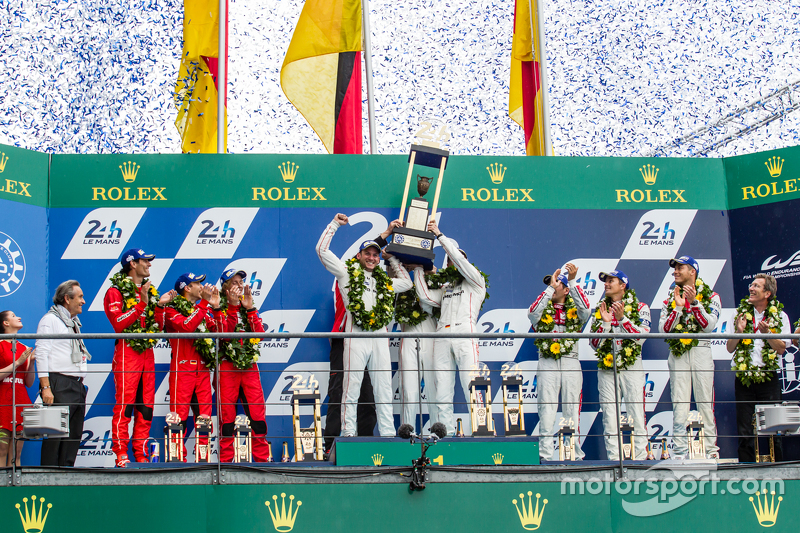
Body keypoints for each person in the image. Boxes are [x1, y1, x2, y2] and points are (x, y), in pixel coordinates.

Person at [316, 214, 413, 437]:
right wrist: (333, 225)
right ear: (358, 256)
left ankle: (388, 434)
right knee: (351, 388)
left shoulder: (383, 281)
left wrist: (393, 260)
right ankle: (348, 433)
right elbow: (321, 251)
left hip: (379, 336)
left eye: (375, 255)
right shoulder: (346, 274)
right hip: (355, 336)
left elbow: (407, 284)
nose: (371, 258)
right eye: (367, 254)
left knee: (383, 389)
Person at [413, 220, 487, 436]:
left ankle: (481, 430)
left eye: (460, 259)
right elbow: (426, 298)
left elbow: (461, 263)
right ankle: (446, 433)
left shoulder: (476, 282)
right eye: (452, 261)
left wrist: (439, 235)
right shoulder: (445, 289)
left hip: (465, 334)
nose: (456, 263)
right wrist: (418, 269)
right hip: (442, 335)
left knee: (471, 384)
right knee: (442, 391)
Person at [104, 248, 175, 467]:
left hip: (147, 353)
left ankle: (141, 455)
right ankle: (120, 455)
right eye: (145, 261)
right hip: (127, 353)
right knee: (125, 406)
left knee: (145, 407)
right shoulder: (114, 291)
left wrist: (160, 306)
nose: (149, 264)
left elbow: (159, 326)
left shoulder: (149, 290)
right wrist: (142, 303)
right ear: (132, 264)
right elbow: (118, 324)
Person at [659, 256, 721, 459]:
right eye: (674, 268)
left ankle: (711, 450)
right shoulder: (670, 298)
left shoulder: (712, 296)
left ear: (692, 271)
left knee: (705, 401)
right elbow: (664, 330)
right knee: (679, 402)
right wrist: (677, 308)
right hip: (678, 352)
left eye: (679, 267)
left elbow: (709, 326)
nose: (675, 271)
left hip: (701, 349)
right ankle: (679, 451)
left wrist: (694, 303)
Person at [527, 264, 590, 461]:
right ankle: (545, 454)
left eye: (557, 284)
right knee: (546, 409)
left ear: (566, 289)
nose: (553, 287)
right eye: (550, 284)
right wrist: (549, 288)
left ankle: (572, 453)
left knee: (571, 408)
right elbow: (531, 313)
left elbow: (586, 310)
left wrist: (571, 280)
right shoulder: (542, 308)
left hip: (570, 361)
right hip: (547, 361)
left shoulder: (575, 310)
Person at [727, 274, 791, 462]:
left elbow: (781, 349)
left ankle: (779, 466)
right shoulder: (738, 314)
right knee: (744, 429)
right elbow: (730, 348)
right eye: (751, 284)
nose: (751, 288)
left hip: (768, 377)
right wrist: (739, 332)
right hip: (743, 378)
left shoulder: (780, 316)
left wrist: (767, 334)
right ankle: (746, 467)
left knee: (774, 427)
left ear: (767, 293)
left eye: (756, 286)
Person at [589, 270, 650, 460]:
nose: (606, 284)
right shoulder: (600, 310)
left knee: (636, 414)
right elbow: (593, 344)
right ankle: (615, 459)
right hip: (607, 370)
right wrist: (606, 324)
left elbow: (641, 338)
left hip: (632, 369)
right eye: (605, 281)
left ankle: (640, 457)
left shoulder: (641, 307)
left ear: (623, 285)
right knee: (609, 415)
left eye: (611, 281)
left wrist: (623, 319)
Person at [165, 273, 221, 460]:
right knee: (177, 419)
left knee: (204, 419)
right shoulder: (172, 310)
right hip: (182, 371)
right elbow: (188, 327)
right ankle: (176, 459)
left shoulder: (203, 310)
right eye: (198, 283)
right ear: (187, 288)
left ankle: (203, 459)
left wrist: (216, 307)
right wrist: (205, 305)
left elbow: (221, 332)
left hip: (203, 371)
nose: (202, 286)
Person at [216, 269, 270, 462]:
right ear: (225, 287)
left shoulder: (248, 307)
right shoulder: (217, 307)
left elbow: (259, 334)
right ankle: (226, 461)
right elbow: (223, 335)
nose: (239, 286)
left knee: (257, 416)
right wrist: (231, 307)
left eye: (241, 282)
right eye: (234, 282)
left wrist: (250, 310)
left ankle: (262, 460)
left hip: (248, 368)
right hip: (227, 367)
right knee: (227, 420)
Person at [36, 280, 90, 467]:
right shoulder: (50, 320)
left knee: (73, 436)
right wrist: (46, 387)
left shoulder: (73, 323)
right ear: (67, 298)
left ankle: (66, 480)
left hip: (76, 385)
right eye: (80, 297)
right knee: (55, 437)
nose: (83, 301)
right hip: (59, 383)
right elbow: (41, 354)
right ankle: (48, 481)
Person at [395, 263, 440, 431]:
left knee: (434, 388)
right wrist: (397, 263)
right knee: (409, 389)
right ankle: (407, 431)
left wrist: (428, 269)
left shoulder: (436, 284)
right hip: (408, 336)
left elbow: (429, 301)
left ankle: (438, 431)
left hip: (431, 338)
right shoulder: (401, 286)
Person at [0, 311, 35, 466]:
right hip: (2, 400)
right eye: (13, 316)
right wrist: (18, 362)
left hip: (21, 400)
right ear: (5, 323)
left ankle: (16, 489)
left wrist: (32, 363)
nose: (19, 317)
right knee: (1, 450)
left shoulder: (25, 348)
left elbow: (28, 383)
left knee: (16, 453)